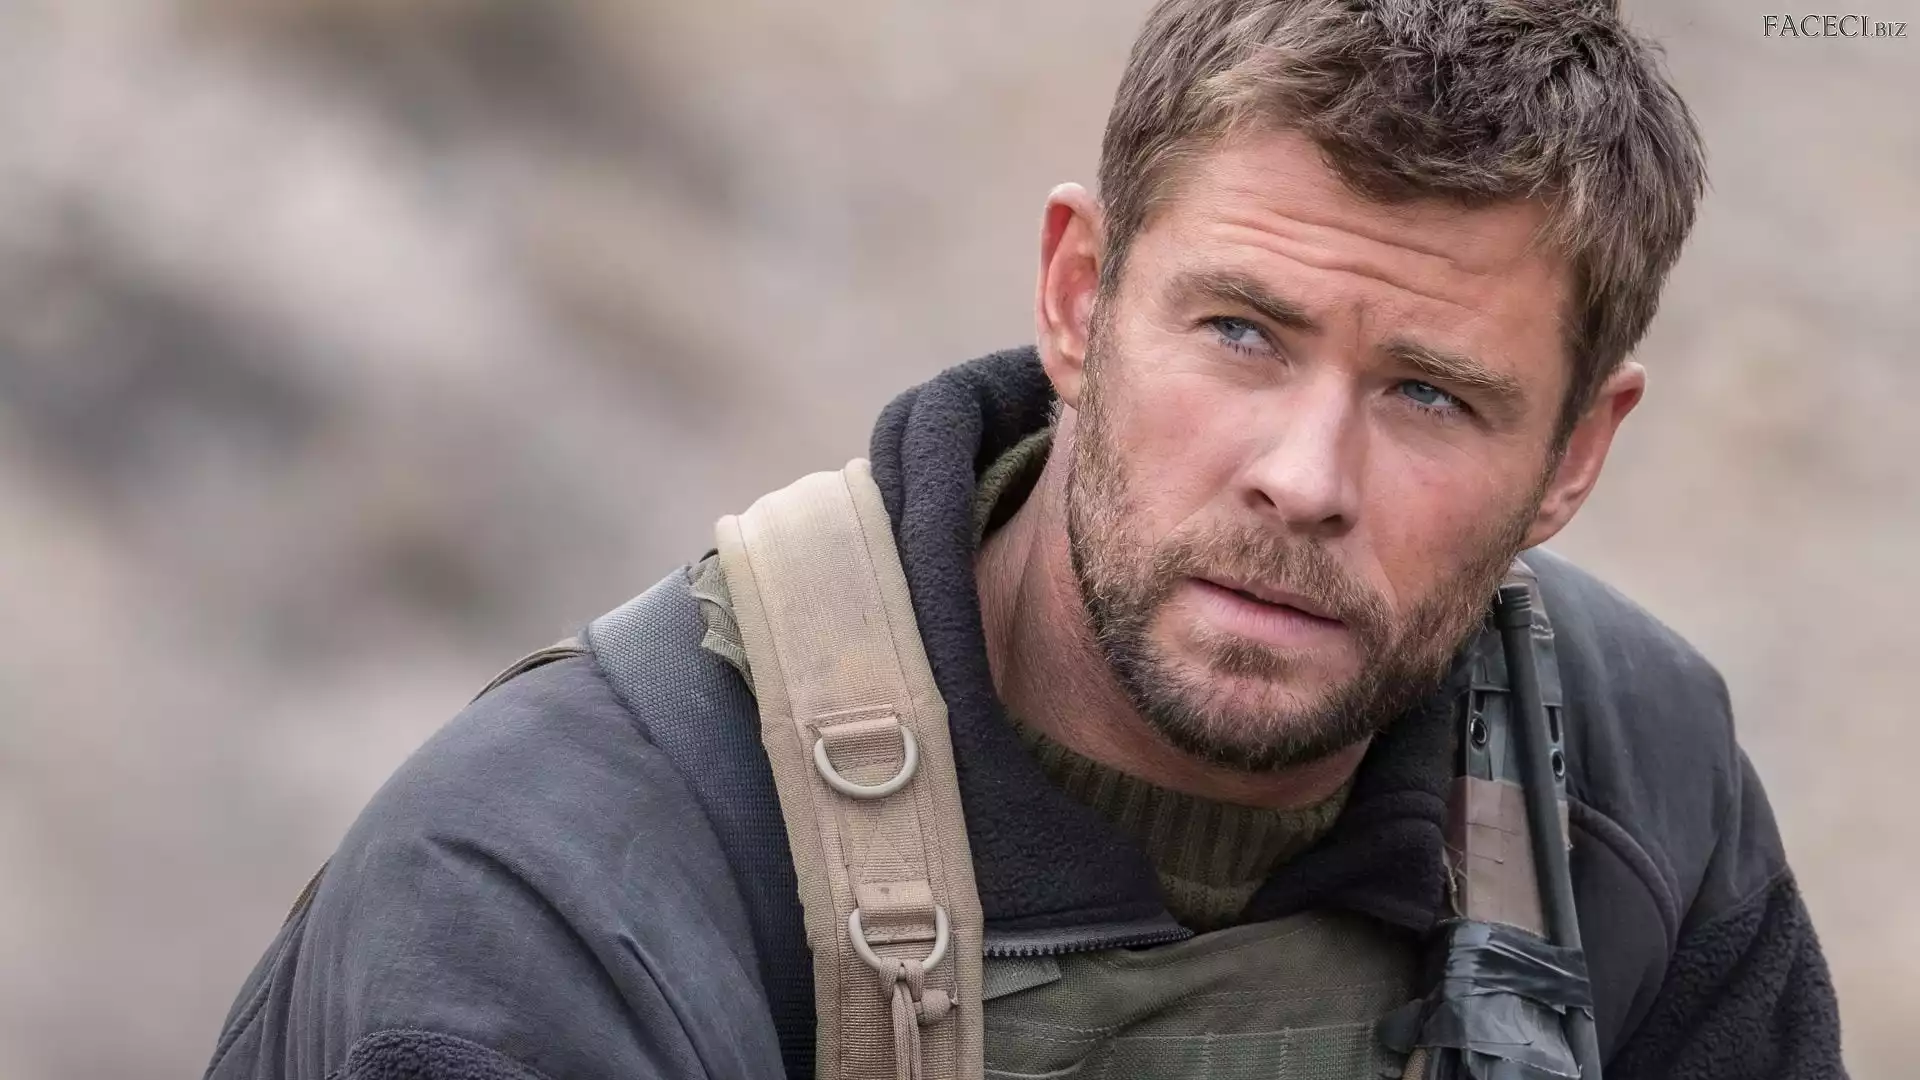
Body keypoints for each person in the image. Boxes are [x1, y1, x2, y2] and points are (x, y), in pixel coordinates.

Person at [204, 2, 1845, 1078]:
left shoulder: (1621, 783)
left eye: (1430, 395)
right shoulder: (567, 880)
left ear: (1573, 456)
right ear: (1077, 298)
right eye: (1243, 334)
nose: (1303, 478)